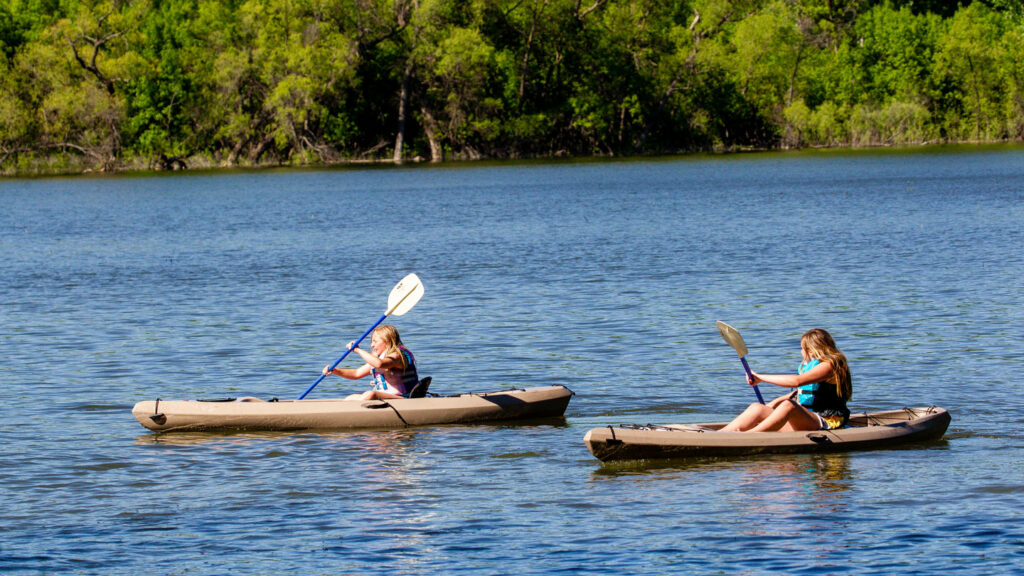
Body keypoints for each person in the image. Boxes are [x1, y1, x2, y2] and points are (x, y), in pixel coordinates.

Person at [720, 328, 851, 432]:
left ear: (811, 350)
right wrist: (771, 405)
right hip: (806, 418)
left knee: (788, 405)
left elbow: (797, 382)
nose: (801, 352)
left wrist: (760, 378)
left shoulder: (830, 366)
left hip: (825, 421)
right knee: (757, 408)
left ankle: (747, 437)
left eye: (802, 348)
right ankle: (720, 435)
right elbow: (800, 393)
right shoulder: (813, 366)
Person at [321, 324, 419, 401]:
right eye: (371, 341)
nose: (372, 345)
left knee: (371, 394)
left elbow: (379, 364)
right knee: (351, 397)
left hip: (405, 398)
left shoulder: (398, 356)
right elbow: (356, 373)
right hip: (389, 399)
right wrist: (335, 371)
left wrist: (358, 350)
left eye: (375, 341)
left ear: (388, 341)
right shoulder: (379, 358)